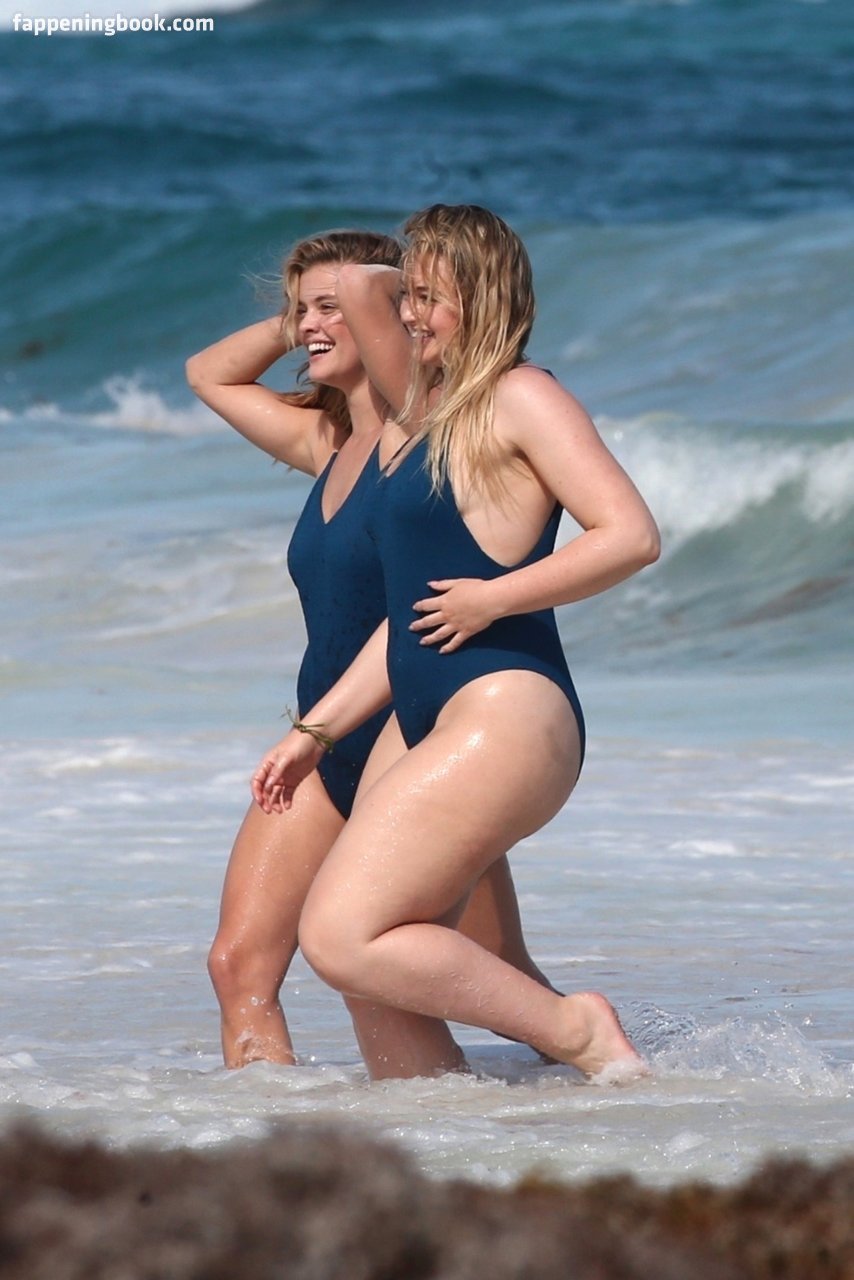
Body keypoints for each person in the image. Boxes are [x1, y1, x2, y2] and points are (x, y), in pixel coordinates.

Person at [253, 205, 661, 1080]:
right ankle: (443, 1133)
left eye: (429, 297)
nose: (406, 314)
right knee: (375, 974)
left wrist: (495, 597)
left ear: (481, 298)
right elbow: (411, 617)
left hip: (505, 704)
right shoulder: (419, 422)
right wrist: (316, 732)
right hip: (422, 710)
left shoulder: (522, 396)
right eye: (408, 296)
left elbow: (629, 535)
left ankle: (577, 1029)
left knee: (341, 934)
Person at [186, 227, 561, 1079]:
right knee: (238, 964)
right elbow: (208, 374)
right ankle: (277, 1139)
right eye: (299, 311)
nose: (310, 325)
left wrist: (378, 300)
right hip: (326, 739)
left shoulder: (427, 436)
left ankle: (606, 1094)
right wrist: (305, 321)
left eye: (331, 308)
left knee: (483, 974)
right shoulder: (326, 445)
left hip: (417, 735)